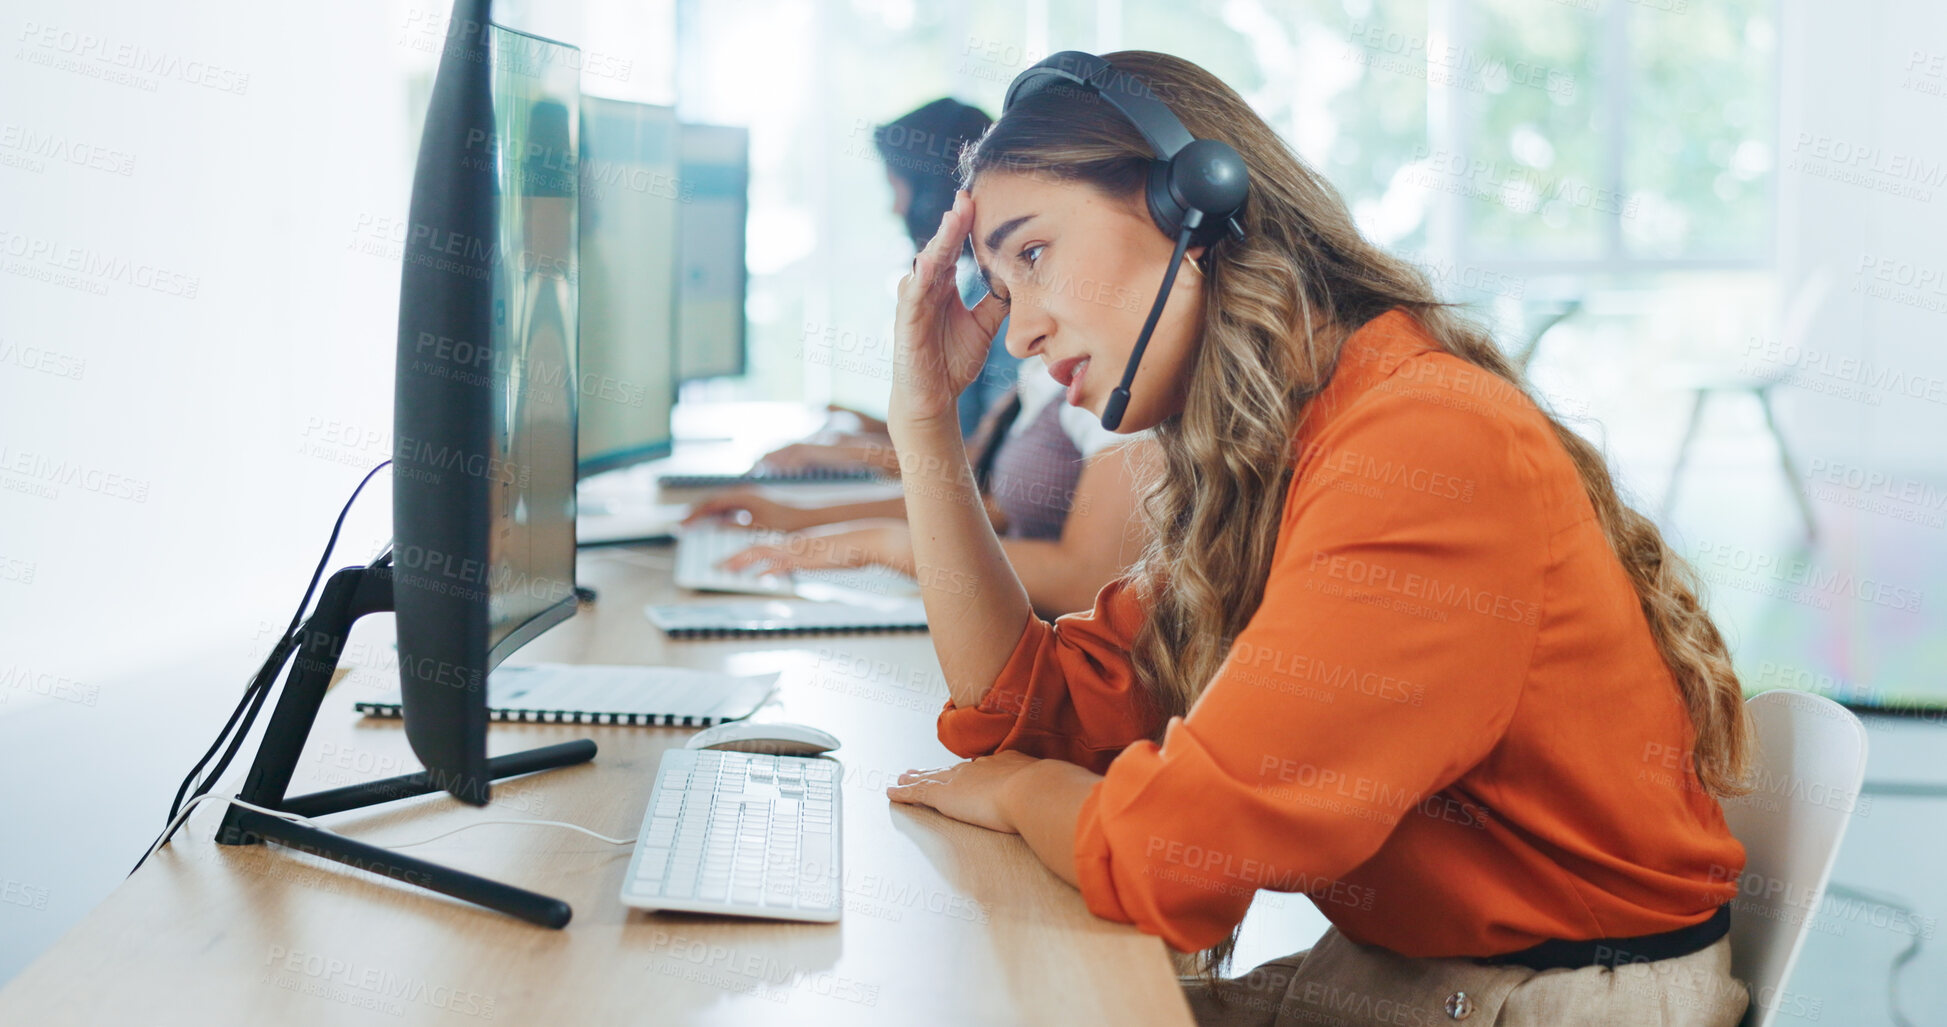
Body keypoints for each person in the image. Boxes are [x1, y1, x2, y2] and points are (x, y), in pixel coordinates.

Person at [878, 51, 1753, 1026]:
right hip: (1418, 976)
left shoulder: (1422, 445)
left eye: (1032, 253)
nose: (1017, 334)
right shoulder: (1280, 450)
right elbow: (1034, 711)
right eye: (998, 280)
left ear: (1190, 203)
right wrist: (924, 424)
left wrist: (1021, 792)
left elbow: (1174, 854)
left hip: (1556, 1001)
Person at [754, 98, 1014, 477]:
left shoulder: (1004, 300)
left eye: (897, 188)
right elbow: (963, 439)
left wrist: (853, 452)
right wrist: (875, 429)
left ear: (932, 191)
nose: (895, 209)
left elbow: (986, 462)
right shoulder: (976, 285)